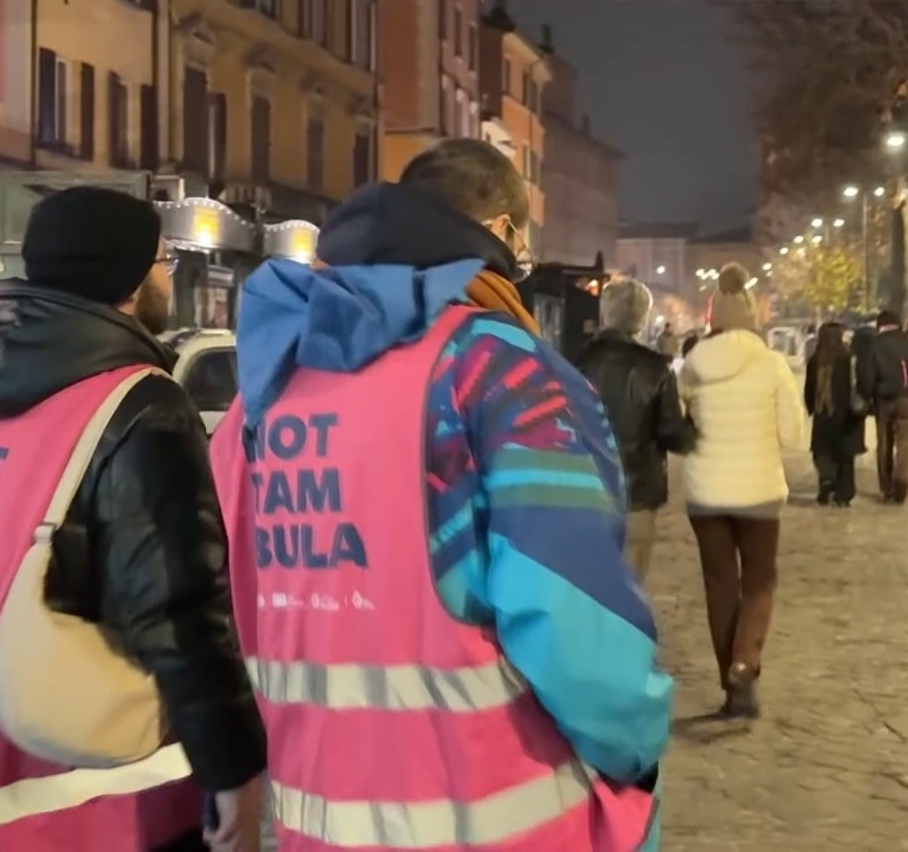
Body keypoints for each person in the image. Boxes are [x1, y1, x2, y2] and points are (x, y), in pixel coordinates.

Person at [210, 139, 669, 850]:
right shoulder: (499, 372)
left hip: (318, 819)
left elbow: (230, 594)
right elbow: (575, 622)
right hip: (500, 816)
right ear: (506, 235)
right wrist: (635, 751)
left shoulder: (267, 391)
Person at [0, 187, 265, 851]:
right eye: (162, 260)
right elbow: (179, 610)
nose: (167, 275)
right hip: (102, 806)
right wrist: (232, 769)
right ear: (130, 278)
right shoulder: (137, 404)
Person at [679, 263, 806, 718]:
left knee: (720, 586)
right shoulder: (772, 364)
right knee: (759, 581)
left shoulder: (693, 364)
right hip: (758, 492)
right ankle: (744, 663)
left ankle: (732, 687)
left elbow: (681, 422)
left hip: (705, 492)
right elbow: (794, 436)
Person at [574, 277, 697, 581]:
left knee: (590, 583)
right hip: (638, 493)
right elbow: (673, 434)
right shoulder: (655, 367)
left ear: (604, 314)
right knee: (630, 585)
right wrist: (693, 425)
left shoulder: (576, 362)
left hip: (585, 490)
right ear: (642, 319)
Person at [859, 309, 908, 504]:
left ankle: (887, 488)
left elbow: (867, 377)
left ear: (880, 325)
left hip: (884, 400)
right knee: (905, 444)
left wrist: (867, 397)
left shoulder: (875, 346)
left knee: (884, 443)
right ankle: (901, 482)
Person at [803, 321, 865, 506]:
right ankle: (843, 494)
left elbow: (809, 387)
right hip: (846, 415)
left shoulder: (816, 359)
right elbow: (858, 383)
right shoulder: (848, 358)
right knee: (845, 457)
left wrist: (811, 407)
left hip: (823, 413)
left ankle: (826, 482)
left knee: (823, 452)